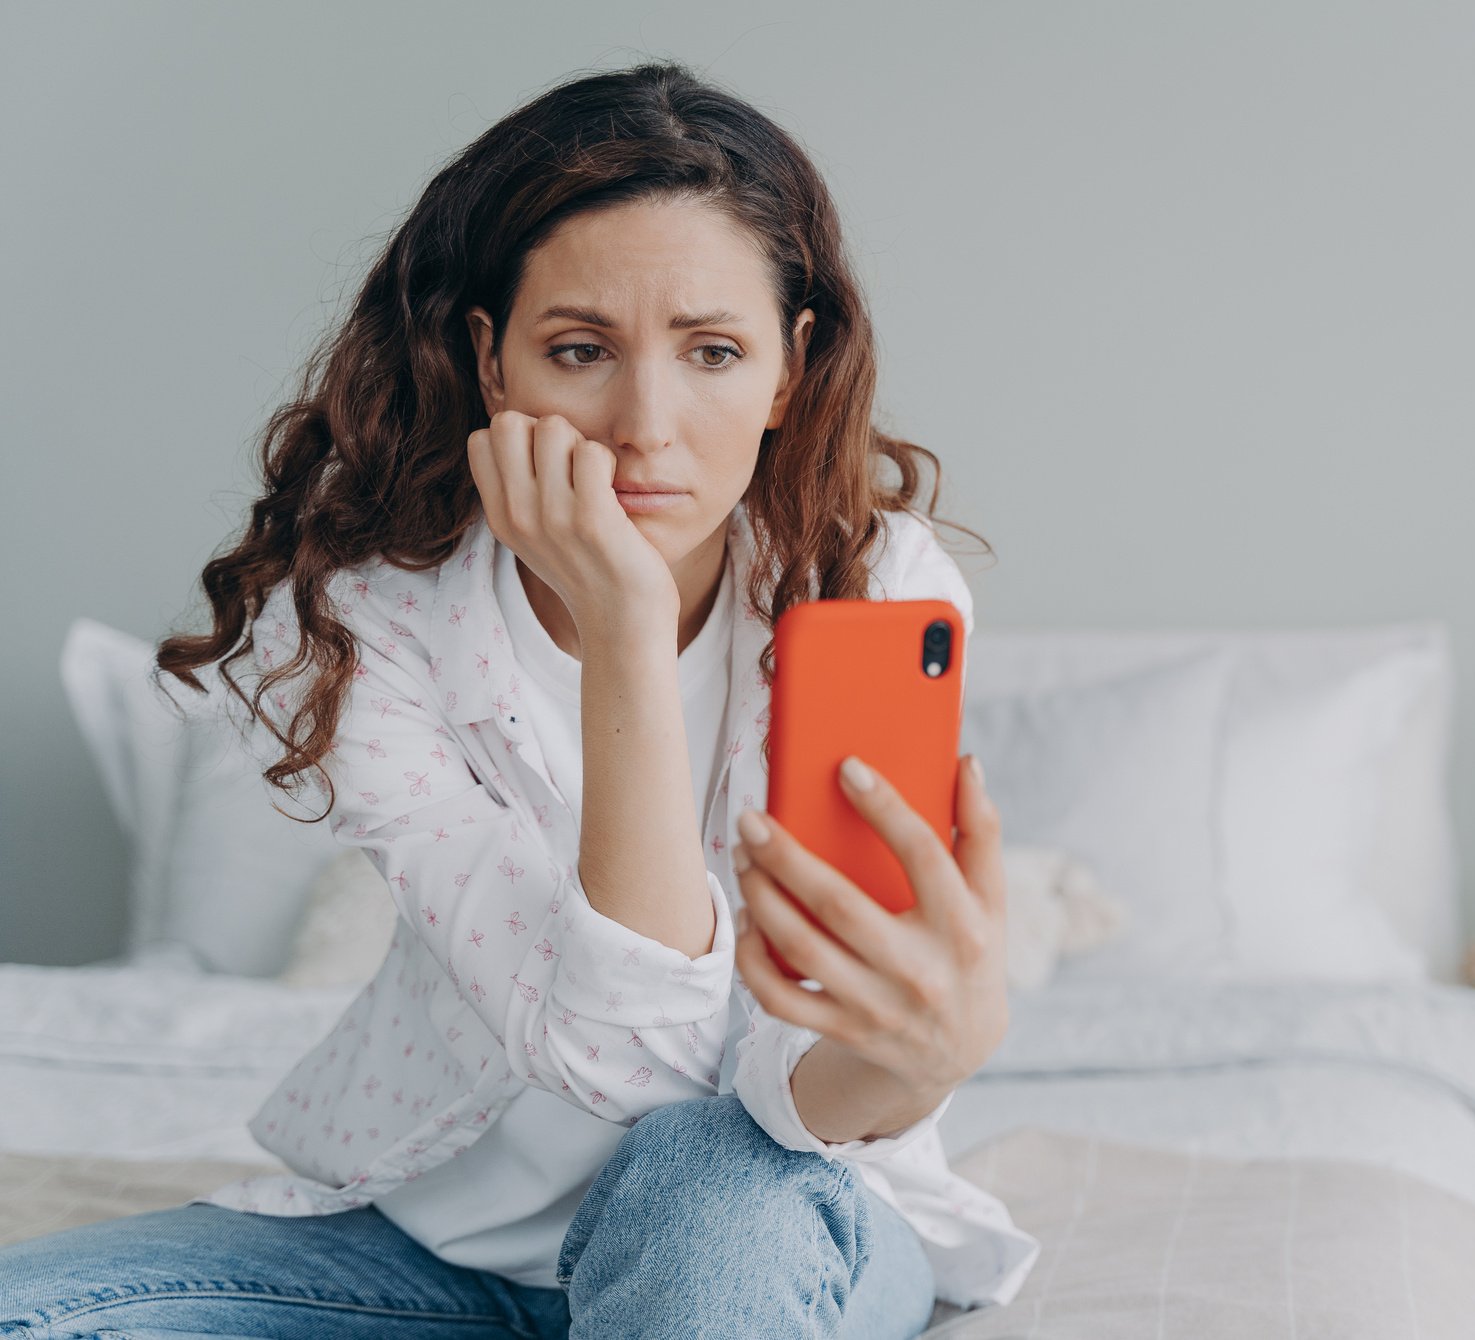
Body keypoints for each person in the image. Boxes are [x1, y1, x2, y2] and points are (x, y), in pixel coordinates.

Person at [0, 58, 1038, 1339]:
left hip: (763, 1218)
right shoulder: (372, 616)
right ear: (494, 362)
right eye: (580, 349)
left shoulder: (870, 589)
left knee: (700, 1190)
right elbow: (621, 1059)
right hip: (445, 1254)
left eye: (713, 350)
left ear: (787, 368)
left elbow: (725, 1096)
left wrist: (925, 1056)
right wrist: (625, 624)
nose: (644, 425)